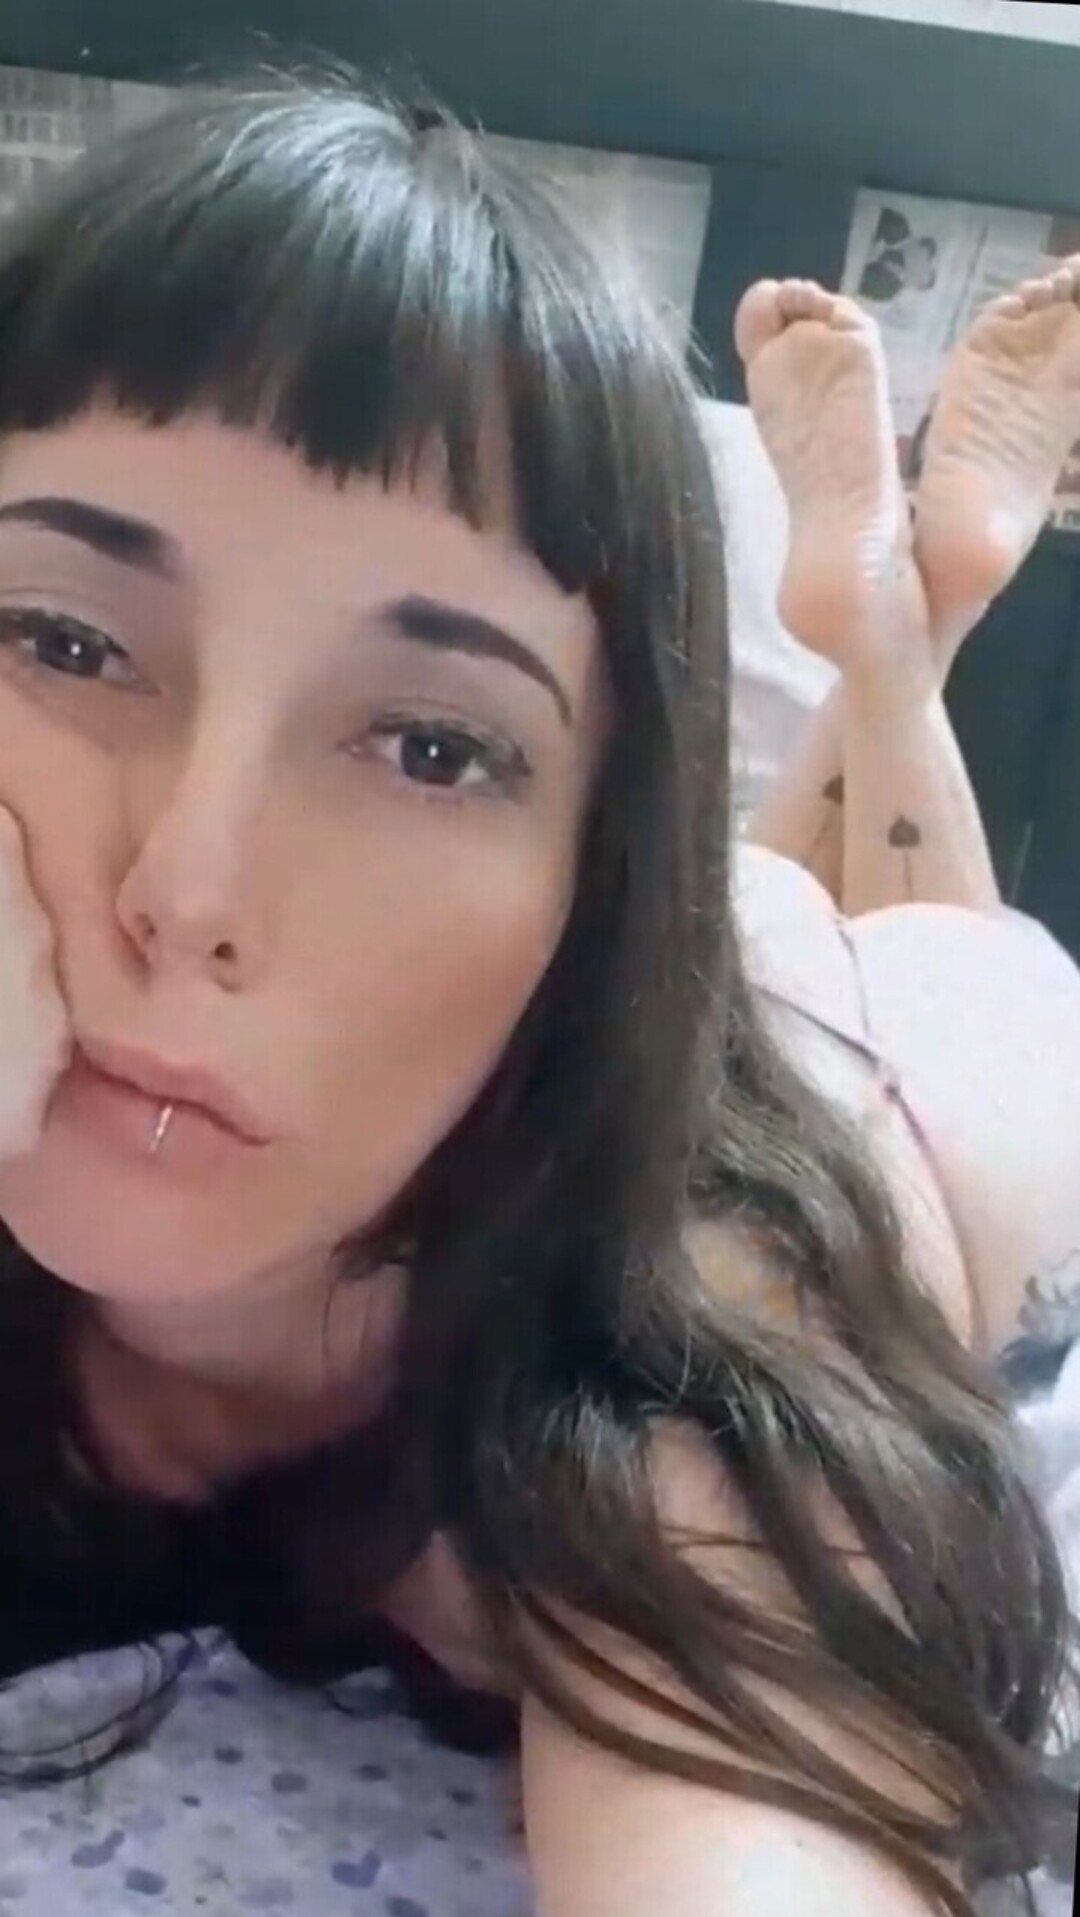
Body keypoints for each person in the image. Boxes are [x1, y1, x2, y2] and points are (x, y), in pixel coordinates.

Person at [0, 78, 1074, 1917]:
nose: (188, 886)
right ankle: (890, 627)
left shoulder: (684, 1371)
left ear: (594, 894)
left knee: (888, 957)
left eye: (432, 744)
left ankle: (898, 635)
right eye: (66, 639)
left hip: (890, 1062)